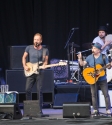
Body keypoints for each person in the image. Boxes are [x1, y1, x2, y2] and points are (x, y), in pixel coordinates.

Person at [77, 42, 111, 115]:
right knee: (93, 95)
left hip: (102, 79)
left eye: (95, 48)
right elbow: (82, 64)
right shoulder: (89, 57)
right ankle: (95, 109)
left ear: (99, 50)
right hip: (92, 78)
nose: (93, 49)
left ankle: (108, 109)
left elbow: (108, 66)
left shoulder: (103, 56)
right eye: (93, 48)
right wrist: (80, 58)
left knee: (106, 94)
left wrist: (109, 66)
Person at [22, 33, 49, 115]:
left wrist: (45, 65)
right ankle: (28, 109)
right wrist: (24, 66)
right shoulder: (29, 48)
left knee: (39, 90)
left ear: (41, 41)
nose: (36, 41)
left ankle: (39, 110)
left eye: (37, 39)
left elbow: (46, 61)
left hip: (39, 72)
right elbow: (24, 57)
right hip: (30, 71)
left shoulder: (45, 50)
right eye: (34, 39)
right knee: (27, 89)